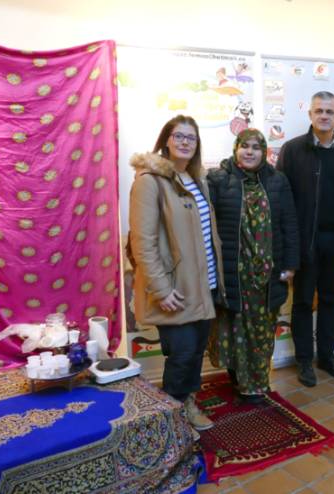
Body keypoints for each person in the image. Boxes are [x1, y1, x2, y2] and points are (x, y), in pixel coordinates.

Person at [128, 115, 225, 436]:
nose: (185, 142)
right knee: (181, 356)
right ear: (166, 140)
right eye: (178, 136)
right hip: (175, 289)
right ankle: (172, 425)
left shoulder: (196, 180)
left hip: (204, 285)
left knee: (195, 353)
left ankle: (188, 404)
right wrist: (161, 289)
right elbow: (142, 243)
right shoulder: (150, 181)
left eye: (191, 137)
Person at [206, 129, 299, 403]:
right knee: (233, 327)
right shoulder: (218, 179)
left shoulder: (278, 181)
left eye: (256, 147)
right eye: (244, 146)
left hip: (267, 274)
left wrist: (291, 264)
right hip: (234, 273)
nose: (249, 152)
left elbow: (289, 224)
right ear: (236, 148)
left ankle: (257, 382)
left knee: (262, 330)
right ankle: (239, 379)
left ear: (264, 151)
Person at [277, 91, 334, 387]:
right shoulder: (292, 150)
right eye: (319, 111)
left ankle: (327, 356)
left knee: (329, 299)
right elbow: (282, 199)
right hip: (304, 241)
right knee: (302, 301)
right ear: (310, 114)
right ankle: (303, 360)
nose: (324, 116)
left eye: (329, 111)